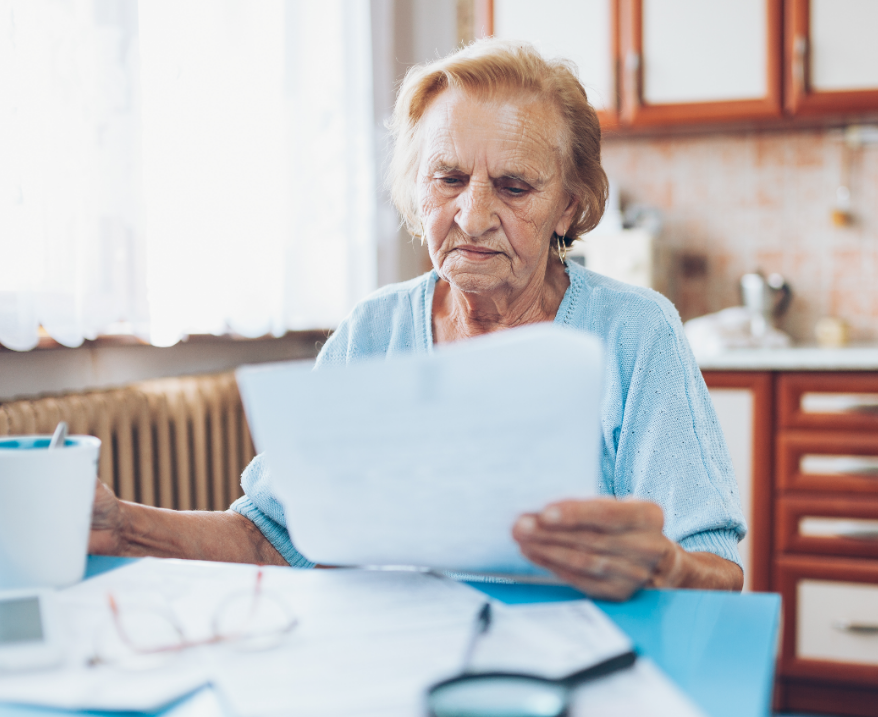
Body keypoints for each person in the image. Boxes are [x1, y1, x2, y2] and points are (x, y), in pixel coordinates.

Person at [90, 39, 746, 601]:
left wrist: (662, 564)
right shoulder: (372, 332)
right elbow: (271, 540)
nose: (473, 214)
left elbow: (718, 569)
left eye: (514, 187)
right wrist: (123, 527)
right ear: (416, 189)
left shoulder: (636, 333)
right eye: (449, 178)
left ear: (570, 209)